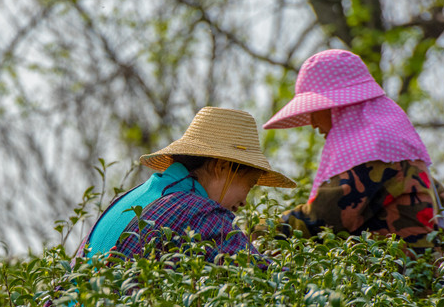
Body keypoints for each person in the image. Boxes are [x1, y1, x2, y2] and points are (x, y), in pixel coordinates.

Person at [263, 48, 444, 307]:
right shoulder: (394, 146)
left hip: (398, 298)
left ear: (338, 105)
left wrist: (258, 230)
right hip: (431, 291)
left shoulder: (371, 154)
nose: (312, 123)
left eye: (314, 110)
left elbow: (324, 217)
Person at [79, 107, 296, 262]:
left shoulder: (129, 198)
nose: (244, 202)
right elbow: (261, 279)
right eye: (250, 184)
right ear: (221, 167)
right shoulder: (199, 213)